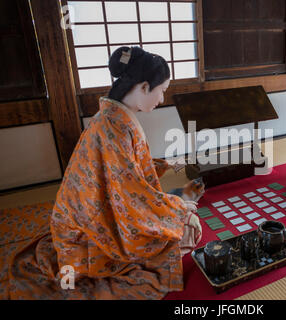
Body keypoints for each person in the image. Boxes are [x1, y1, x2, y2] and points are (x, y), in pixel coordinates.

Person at [1, 46, 202, 300]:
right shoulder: (115, 126)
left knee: (179, 220)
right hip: (86, 231)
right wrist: (177, 209)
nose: (162, 99)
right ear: (143, 87)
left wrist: (163, 166)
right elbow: (130, 194)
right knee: (182, 232)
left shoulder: (112, 115)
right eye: (161, 91)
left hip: (86, 212)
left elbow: (122, 170)